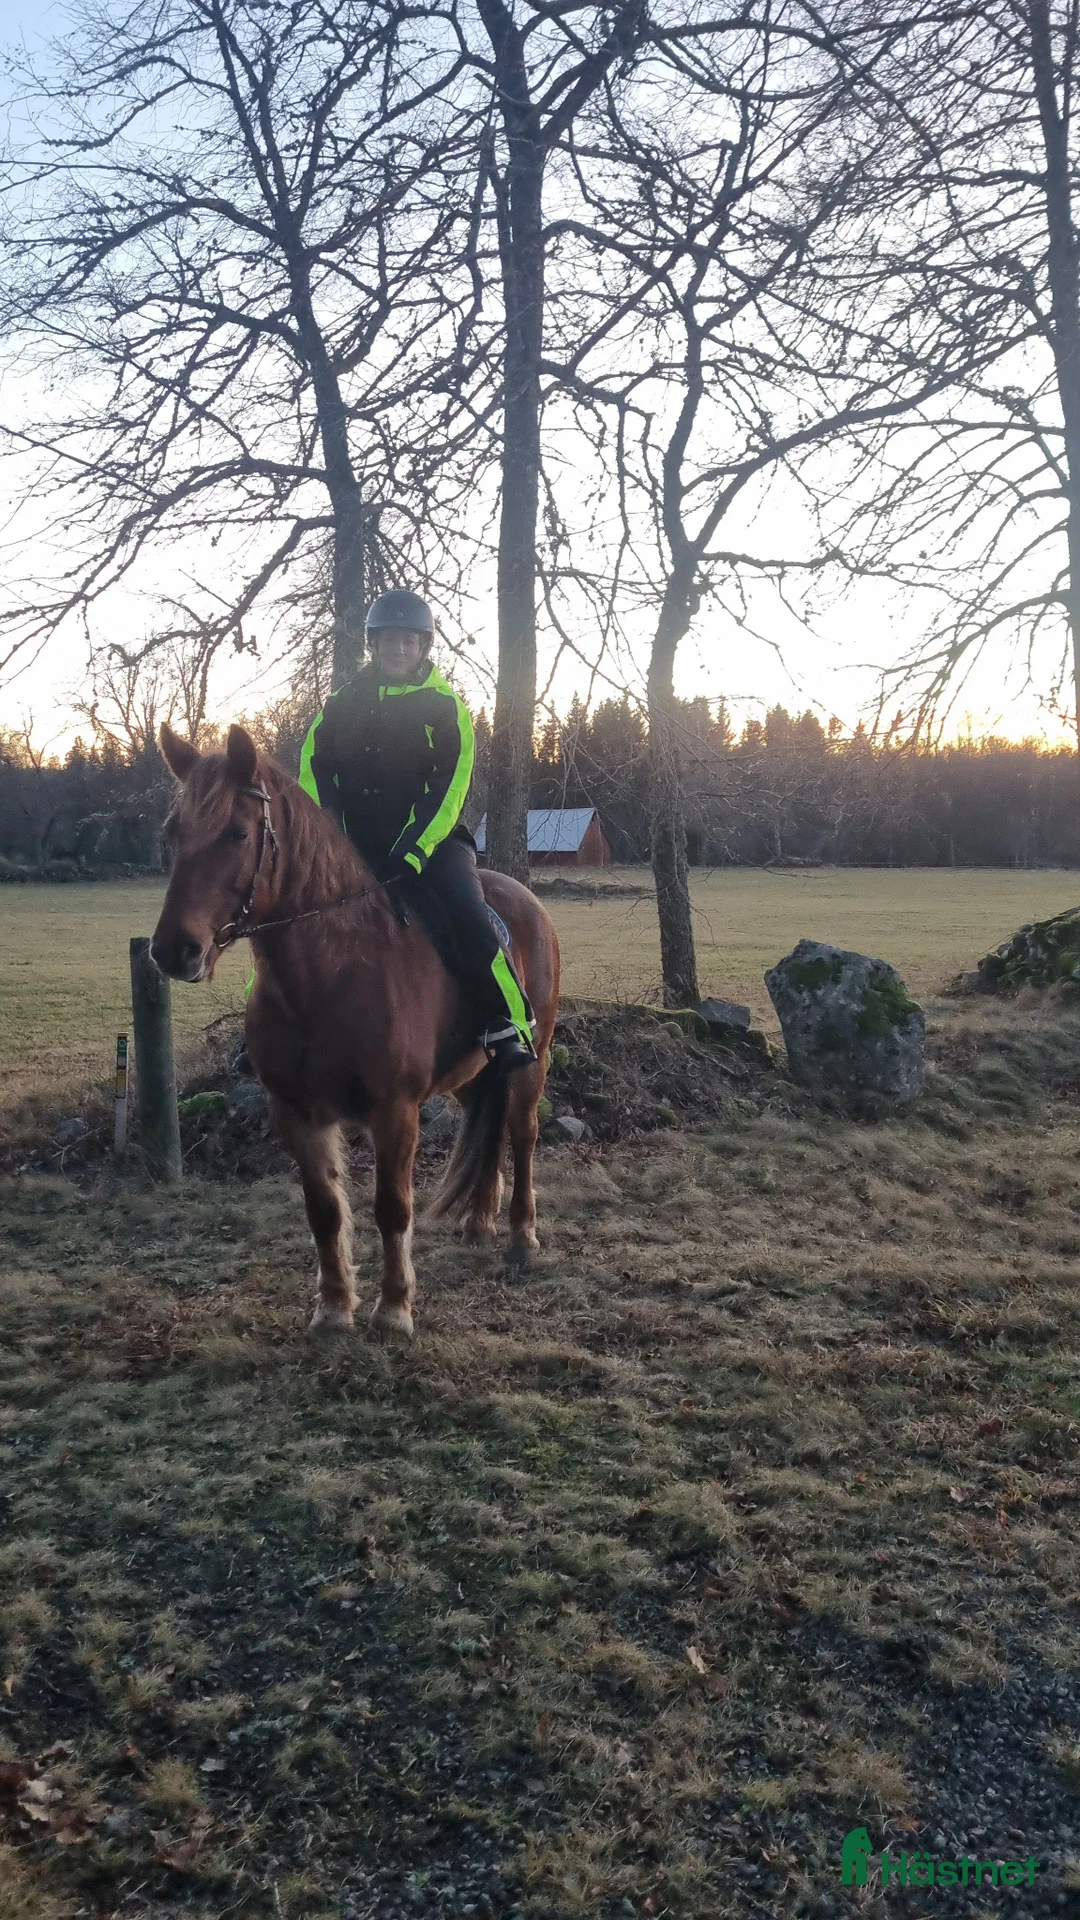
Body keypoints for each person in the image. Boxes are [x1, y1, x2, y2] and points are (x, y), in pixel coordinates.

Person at [298, 590, 537, 1075]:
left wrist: (411, 851)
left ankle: (506, 1019)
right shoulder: (339, 706)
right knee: (293, 915)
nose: (399, 648)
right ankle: (265, 1027)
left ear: (423, 646)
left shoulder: (444, 707)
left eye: (409, 640)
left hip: (432, 844)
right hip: (352, 845)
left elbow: (449, 787)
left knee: (468, 912)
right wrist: (335, 844)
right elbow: (315, 772)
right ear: (374, 644)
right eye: (390, 640)